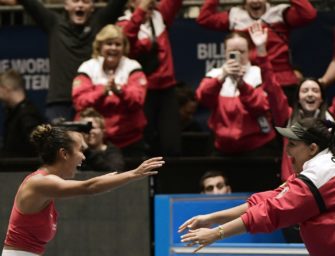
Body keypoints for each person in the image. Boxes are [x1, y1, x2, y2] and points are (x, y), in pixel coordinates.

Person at [179, 118, 335, 256]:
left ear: (313, 148)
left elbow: (270, 212)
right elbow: (271, 198)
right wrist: (211, 218)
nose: (287, 151)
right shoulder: (315, 170)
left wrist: (216, 233)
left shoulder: (320, 174)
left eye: (292, 145)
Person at [1, 123, 164, 256]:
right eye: (80, 150)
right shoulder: (39, 183)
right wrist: (134, 174)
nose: (84, 157)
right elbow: (90, 187)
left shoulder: (45, 183)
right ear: (64, 154)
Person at [1, 0, 127, 122]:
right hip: (59, 102)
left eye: (85, 2)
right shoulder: (55, 23)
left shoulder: (99, 23)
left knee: (91, 142)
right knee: (57, 142)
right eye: (75, 1)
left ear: (92, 7)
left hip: (90, 101)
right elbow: (31, 3)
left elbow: (118, 2)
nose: (80, 5)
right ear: (66, 5)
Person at [197, 0, 317, 105]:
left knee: (284, 125)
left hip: (281, 79)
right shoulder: (235, 16)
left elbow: (308, 15)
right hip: (249, 81)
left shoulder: (280, 13)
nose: (255, 0)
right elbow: (204, 18)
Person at [195, 23, 280, 156]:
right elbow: (203, 99)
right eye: (232, 51)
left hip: (257, 147)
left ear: (249, 52)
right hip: (222, 147)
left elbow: (261, 106)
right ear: (225, 52)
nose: (238, 55)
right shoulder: (215, 74)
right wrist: (221, 78)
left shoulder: (258, 74)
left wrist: (241, 84)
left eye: (242, 51)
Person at [117, 0, 183, 156]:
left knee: (171, 144)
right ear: (131, 3)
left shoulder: (159, 16)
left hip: (166, 89)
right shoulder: (122, 23)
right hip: (142, 92)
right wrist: (141, 10)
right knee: (145, 141)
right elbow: (126, 39)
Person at [72, 24, 148, 157]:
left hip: (129, 140)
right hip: (92, 142)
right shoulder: (88, 68)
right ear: (100, 46)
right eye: (109, 43)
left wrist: (119, 91)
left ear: (124, 47)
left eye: (118, 44)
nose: (113, 48)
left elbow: (138, 100)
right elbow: (80, 102)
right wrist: (102, 92)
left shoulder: (133, 67)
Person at [0, 69, 46, 157]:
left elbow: (36, 149)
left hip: (22, 168)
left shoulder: (27, 115)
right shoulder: (15, 112)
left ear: (5, 88)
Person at [78, 107, 125, 172]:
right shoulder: (76, 152)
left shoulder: (112, 151)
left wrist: (87, 151)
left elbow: (116, 172)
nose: (89, 132)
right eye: (85, 128)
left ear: (103, 131)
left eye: (92, 128)